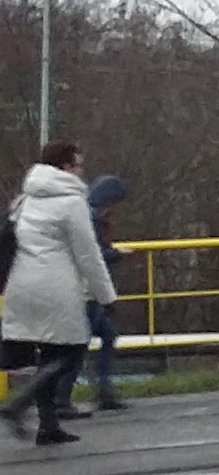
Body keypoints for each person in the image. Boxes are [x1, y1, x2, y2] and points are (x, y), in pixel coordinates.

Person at [2, 142, 112, 447]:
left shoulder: (25, 198)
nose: (81, 171)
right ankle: (18, 403)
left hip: (20, 285)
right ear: (65, 167)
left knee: (37, 353)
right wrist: (106, 295)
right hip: (56, 287)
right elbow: (88, 254)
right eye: (78, 165)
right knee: (68, 351)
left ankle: (48, 426)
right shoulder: (71, 202)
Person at [71, 175, 132, 417]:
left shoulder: (87, 214)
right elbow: (94, 256)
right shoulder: (94, 220)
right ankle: (65, 395)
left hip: (85, 290)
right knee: (79, 345)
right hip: (88, 292)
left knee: (101, 336)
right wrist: (116, 254)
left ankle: (100, 391)